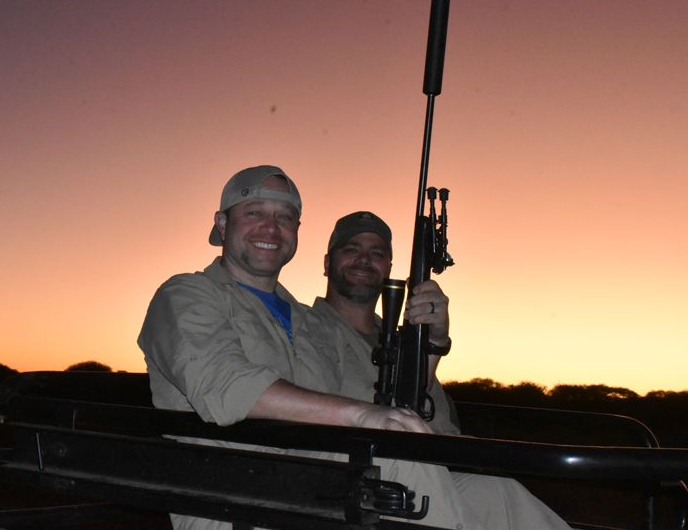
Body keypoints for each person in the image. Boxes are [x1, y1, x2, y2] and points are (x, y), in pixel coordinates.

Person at [138, 165, 571, 530]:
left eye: (285, 217)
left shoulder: (308, 322)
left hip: (318, 478)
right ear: (222, 224)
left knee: (497, 495)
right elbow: (227, 386)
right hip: (234, 496)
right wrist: (363, 417)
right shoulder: (186, 295)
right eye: (255, 213)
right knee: (399, 464)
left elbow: (383, 400)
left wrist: (433, 344)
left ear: (297, 232)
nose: (270, 227)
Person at [312, 211, 461, 435]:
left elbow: (430, 413)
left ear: (388, 269)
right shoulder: (301, 327)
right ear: (327, 263)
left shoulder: (405, 343)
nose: (364, 259)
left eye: (377, 253)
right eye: (351, 250)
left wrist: (435, 342)